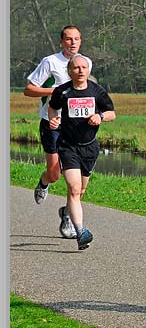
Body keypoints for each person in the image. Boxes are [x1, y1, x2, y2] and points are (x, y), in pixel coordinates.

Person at [24, 25, 93, 240]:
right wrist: (55, 91)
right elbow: (29, 89)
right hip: (51, 123)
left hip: (75, 128)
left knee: (78, 184)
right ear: (62, 41)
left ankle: (67, 214)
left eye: (77, 39)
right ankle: (44, 182)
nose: (73, 42)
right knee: (54, 173)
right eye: (69, 39)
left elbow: (88, 91)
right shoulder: (50, 62)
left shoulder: (86, 62)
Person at [47, 54, 115, 250]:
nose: (80, 71)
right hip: (68, 146)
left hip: (90, 147)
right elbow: (52, 108)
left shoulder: (97, 91)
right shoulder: (62, 91)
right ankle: (81, 232)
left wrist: (100, 116)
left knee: (81, 190)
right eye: (76, 68)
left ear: (89, 70)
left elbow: (112, 113)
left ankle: (66, 213)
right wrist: (54, 120)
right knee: (74, 189)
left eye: (84, 67)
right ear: (69, 71)